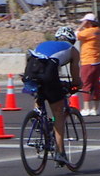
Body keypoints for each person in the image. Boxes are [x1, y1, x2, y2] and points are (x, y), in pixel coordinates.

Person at [23, 27, 82, 164]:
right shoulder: (73, 50)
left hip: (31, 70)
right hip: (48, 71)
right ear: (72, 40)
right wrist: (77, 84)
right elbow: (75, 74)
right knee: (58, 112)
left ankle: (38, 118)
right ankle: (60, 152)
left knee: (40, 91)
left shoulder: (44, 44)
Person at [75, 13, 100, 116]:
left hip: (88, 61)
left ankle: (86, 108)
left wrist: (81, 26)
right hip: (97, 61)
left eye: (85, 22)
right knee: (96, 85)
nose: (83, 23)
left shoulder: (88, 32)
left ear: (89, 22)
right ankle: (95, 108)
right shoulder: (98, 31)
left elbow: (75, 35)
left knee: (86, 84)